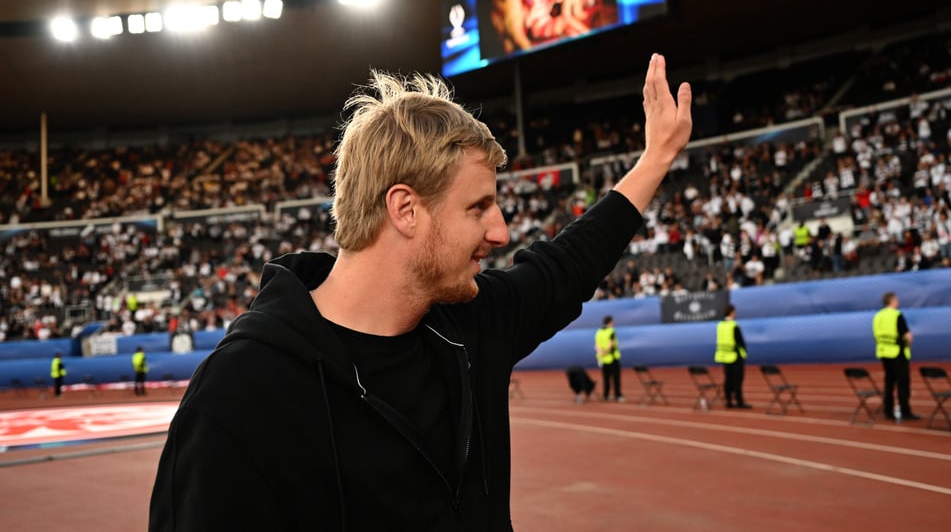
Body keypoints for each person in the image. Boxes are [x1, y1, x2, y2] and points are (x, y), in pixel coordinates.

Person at [149, 53, 693, 531]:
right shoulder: (240, 393)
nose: (501, 232)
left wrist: (655, 159)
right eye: (478, 207)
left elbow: (566, 266)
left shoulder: (469, 323)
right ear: (405, 209)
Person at [872, 292, 919, 421]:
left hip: (883, 352)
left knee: (889, 382)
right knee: (903, 383)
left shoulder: (878, 316)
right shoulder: (896, 315)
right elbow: (907, 335)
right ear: (892, 301)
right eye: (896, 299)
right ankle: (905, 411)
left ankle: (888, 410)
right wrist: (908, 344)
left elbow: (875, 334)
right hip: (898, 352)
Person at [714, 304, 751, 409]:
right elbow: (740, 341)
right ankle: (739, 401)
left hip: (724, 355)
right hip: (735, 355)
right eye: (734, 312)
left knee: (728, 378)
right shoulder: (733, 325)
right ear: (731, 312)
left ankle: (728, 400)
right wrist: (744, 352)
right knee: (738, 379)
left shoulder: (720, 325)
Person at [594, 315, 624, 402]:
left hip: (603, 359)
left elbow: (596, 345)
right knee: (616, 378)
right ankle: (618, 395)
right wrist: (605, 352)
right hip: (612, 358)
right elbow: (610, 345)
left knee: (606, 378)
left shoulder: (598, 332)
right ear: (610, 322)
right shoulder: (611, 331)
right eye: (612, 322)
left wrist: (601, 353)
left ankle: (606, 395)